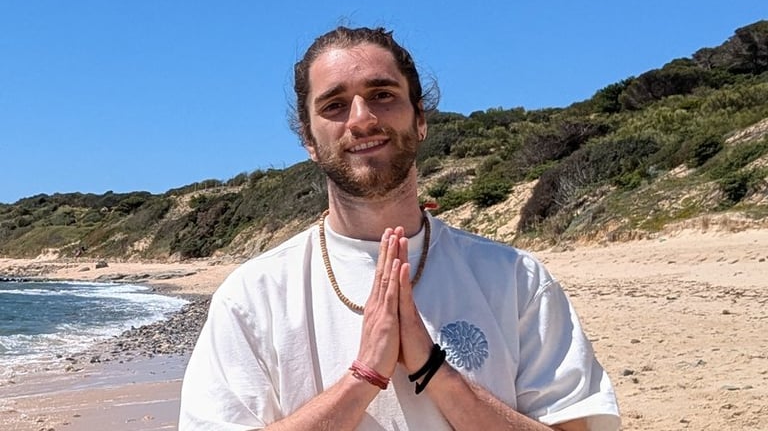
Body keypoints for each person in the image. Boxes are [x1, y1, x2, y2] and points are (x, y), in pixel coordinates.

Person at [179, 26, 620, 431]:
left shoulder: (516, 278)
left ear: (420, 118)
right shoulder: (253, 296)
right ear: (309, 141)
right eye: (334, 105)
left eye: (382, 95)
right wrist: (364, 376)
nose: (361, 119)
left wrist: (435, 371)